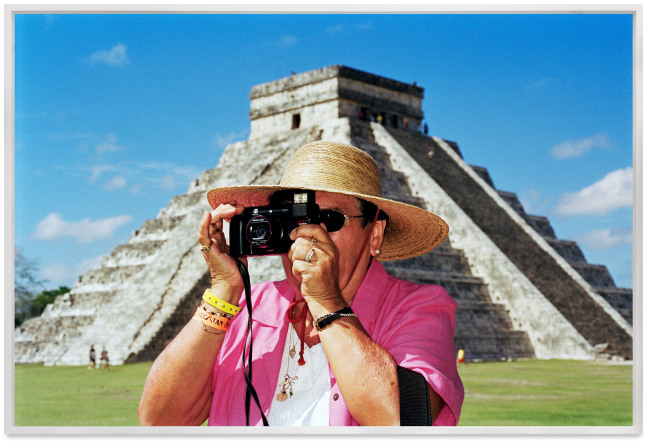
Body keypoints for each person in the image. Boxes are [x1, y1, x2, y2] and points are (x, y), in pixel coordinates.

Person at [139, 141, 464, 426]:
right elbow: (160, 420)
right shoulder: (248, 306)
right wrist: (224, 291)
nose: (308, 236)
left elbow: (402, 421)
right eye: (294, 220)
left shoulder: (419, 307)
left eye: (329, 220)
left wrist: (326, 301)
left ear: (373, 234)